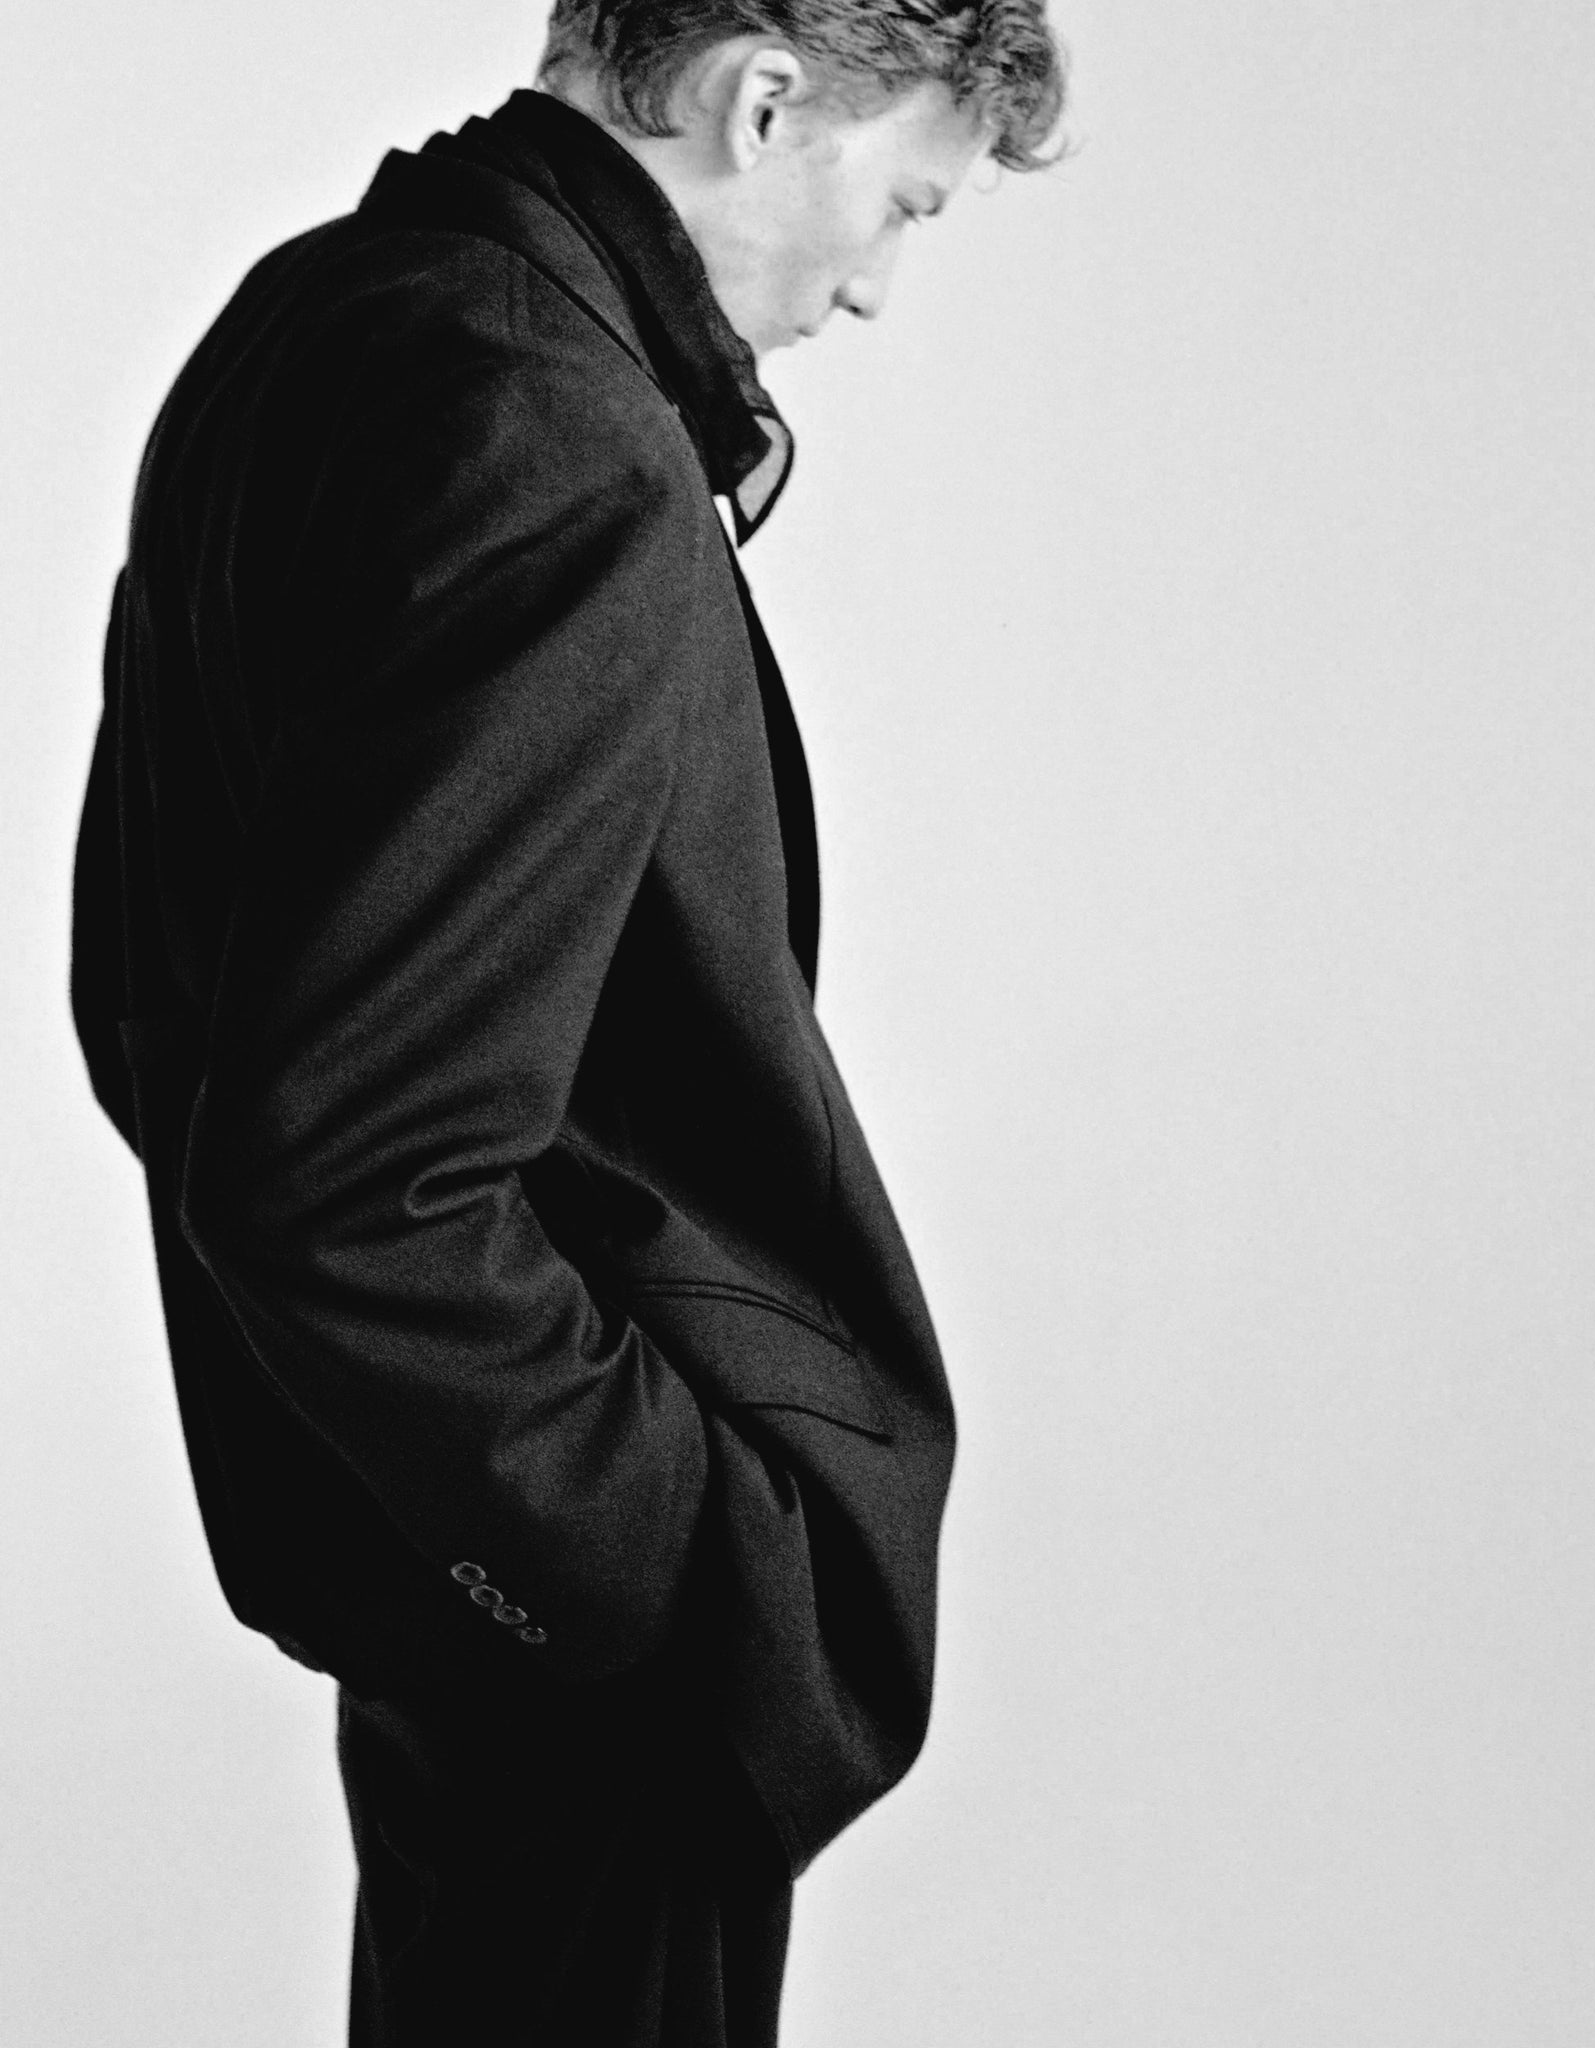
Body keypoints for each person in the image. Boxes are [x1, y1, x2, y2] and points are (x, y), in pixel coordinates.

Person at [70, 1, 1064, 2039]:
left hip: (443, 1558)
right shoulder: (546, 420)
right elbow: (343, 1173)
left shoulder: (319, 322)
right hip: (573, 1628)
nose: (875, 287)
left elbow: (153, 1003)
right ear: (764, 100)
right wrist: (660, 1578)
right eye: (905, 204)